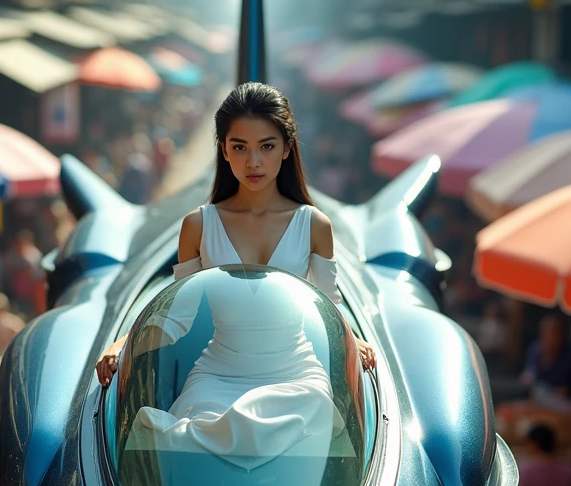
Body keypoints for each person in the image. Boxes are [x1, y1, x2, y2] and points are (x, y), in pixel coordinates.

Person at [96, 82, 376, 387]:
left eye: (266, 146)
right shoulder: (198, 226)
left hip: (297, 373)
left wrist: (352, 337)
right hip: (218, 373)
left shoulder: (315, 225)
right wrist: (123, 344)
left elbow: (327, 307)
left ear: (286, 147)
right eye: (239, 147)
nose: (252, 161)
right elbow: (176, 314)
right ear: (224, 150)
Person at [521, 314, 571, 406]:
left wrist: (568, 391)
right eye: (545, 332)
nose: (549, 336)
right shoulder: (535, 349)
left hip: (566, 405)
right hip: (538, 399)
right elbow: (529, 374)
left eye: (554, 332)